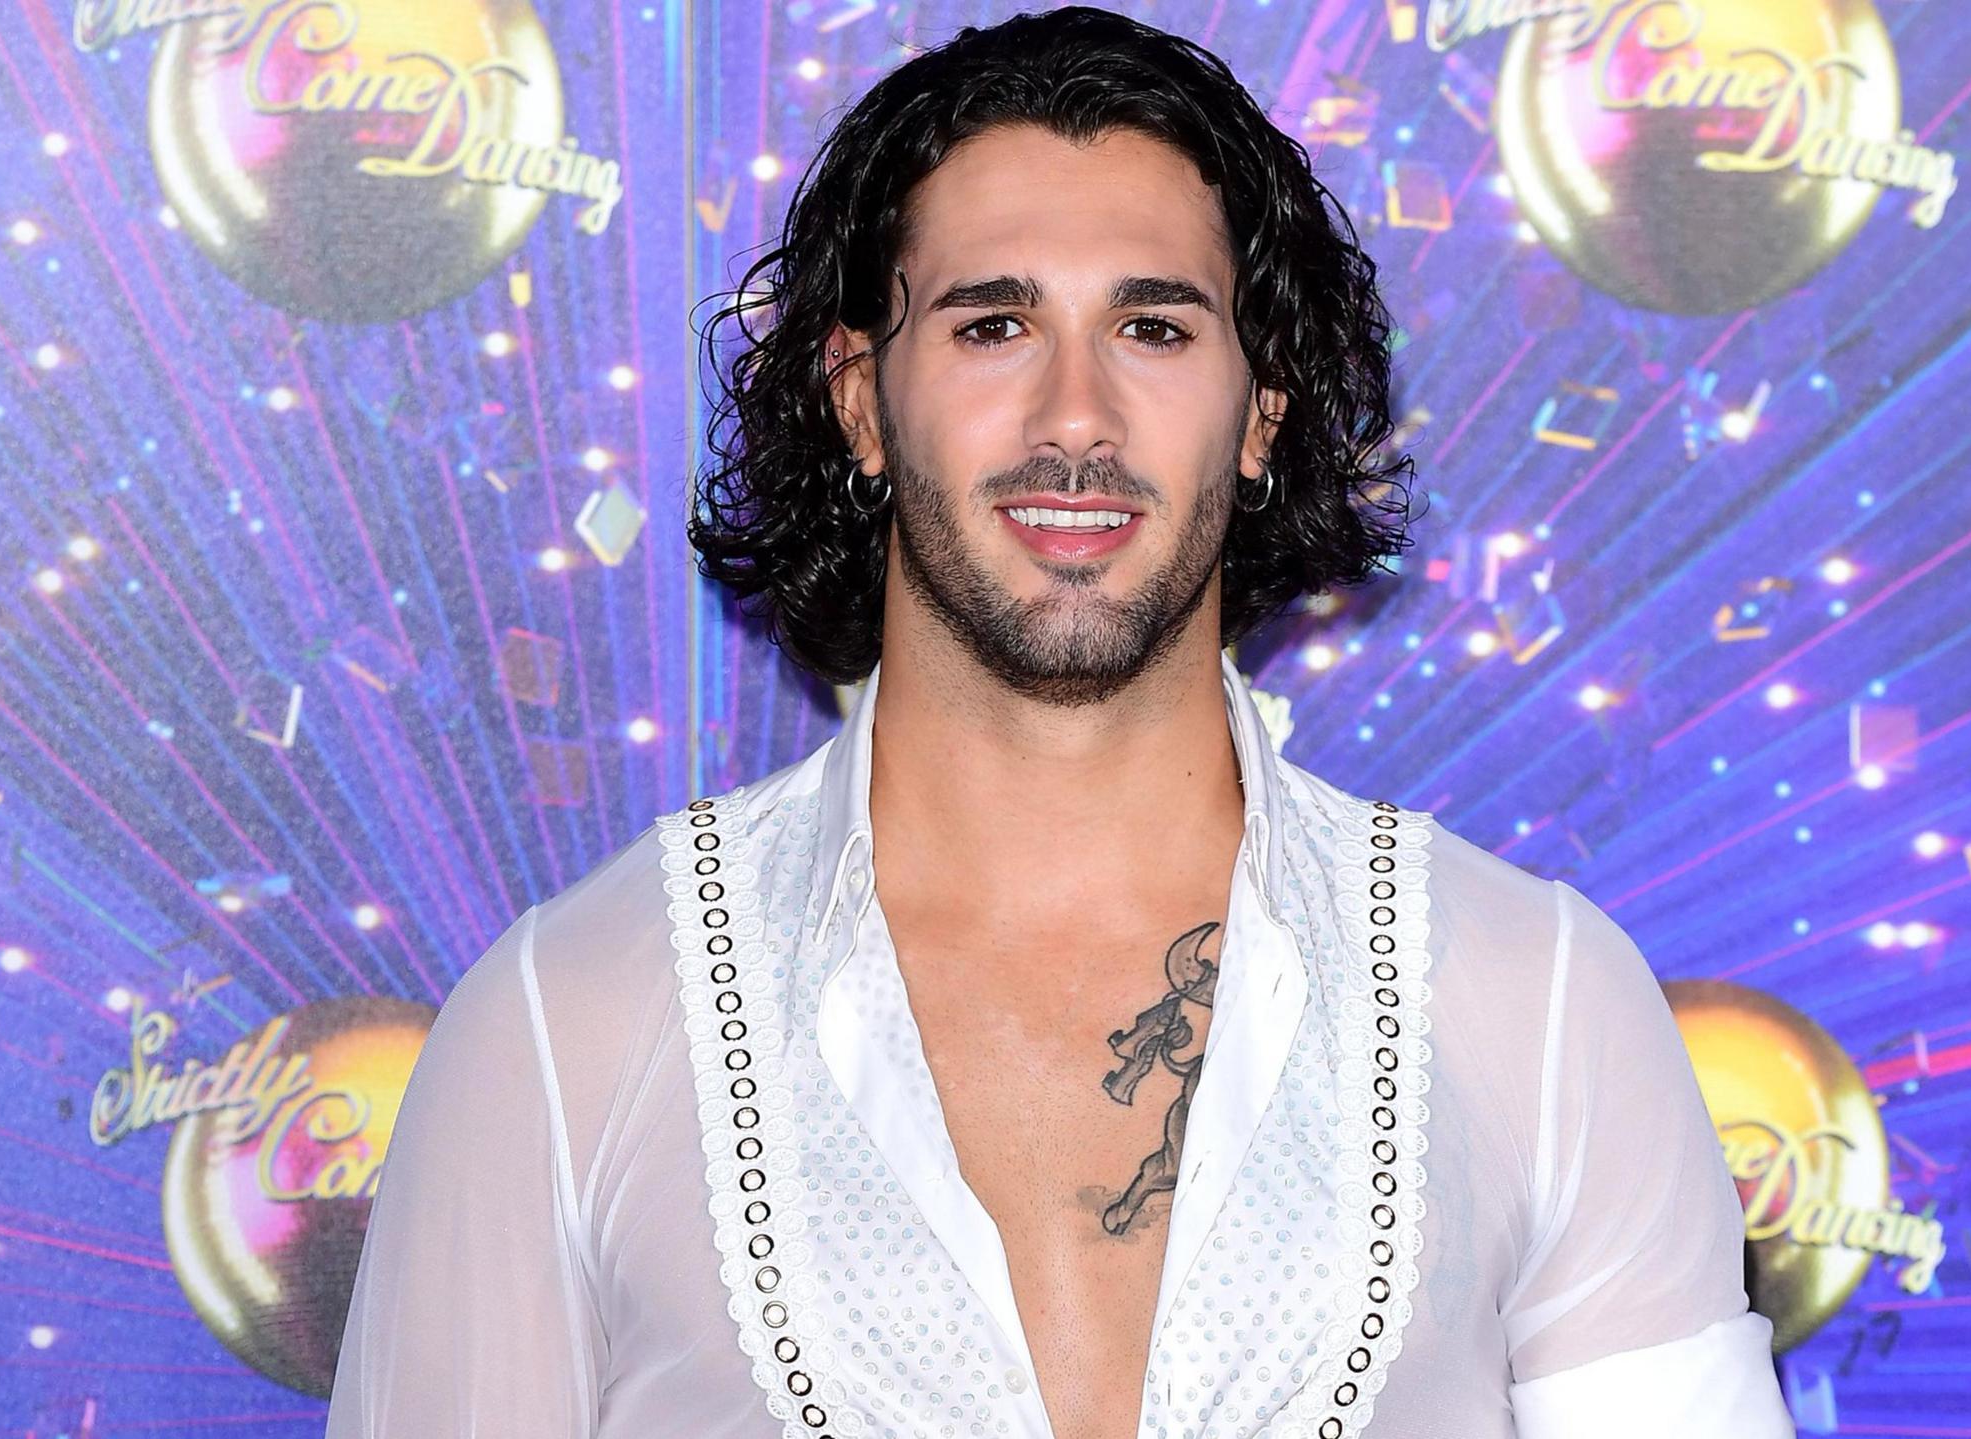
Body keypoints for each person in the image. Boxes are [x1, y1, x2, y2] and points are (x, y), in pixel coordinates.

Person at [323, 8, 1792, 1437]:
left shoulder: (1540, 1008)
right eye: (993, 324)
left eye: (1152, 326)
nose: (1075, 414)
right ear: (859, 400)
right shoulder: (566, 1023)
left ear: (1263, 409)